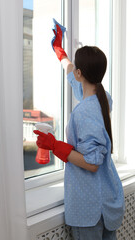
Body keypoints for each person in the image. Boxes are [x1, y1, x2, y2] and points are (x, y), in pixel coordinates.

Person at [34, 19, 125, 240]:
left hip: (91, 208)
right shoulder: (103, 98)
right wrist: (60, 51)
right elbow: (72, 73)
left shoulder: (84, 111)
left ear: (80, 73)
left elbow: (92, 164)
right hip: (107, 201)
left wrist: (54, 146)